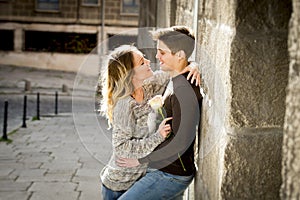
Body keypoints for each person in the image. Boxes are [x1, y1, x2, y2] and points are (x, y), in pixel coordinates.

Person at [99, 44, 201, 200]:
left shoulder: (151, 83)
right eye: (141, 62)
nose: (148, 61)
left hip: (142, 178)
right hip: (119, 184)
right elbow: (121, 148)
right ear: (130, 74)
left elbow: (177, 68)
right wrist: (158, 137)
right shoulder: (124, 105)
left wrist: (194, 66)